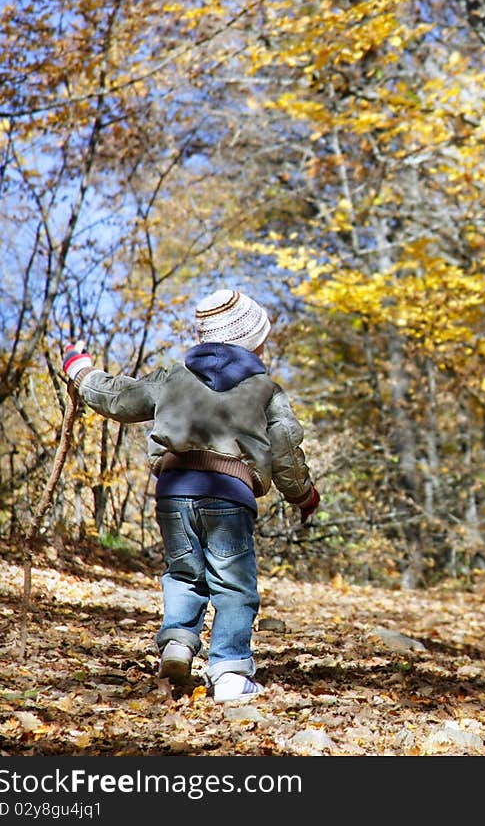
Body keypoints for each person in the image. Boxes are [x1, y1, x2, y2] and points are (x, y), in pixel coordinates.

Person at [62, 289, 320, 703]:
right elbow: (286, 452)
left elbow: (119, 397)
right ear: (253, 341)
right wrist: (304, 496)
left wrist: (81, 372)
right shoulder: (265, 391)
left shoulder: (172, 378)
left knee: (184, 574)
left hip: (174, 492)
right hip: (229, 496)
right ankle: (231, 670)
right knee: (234, 586)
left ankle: (179, 644)